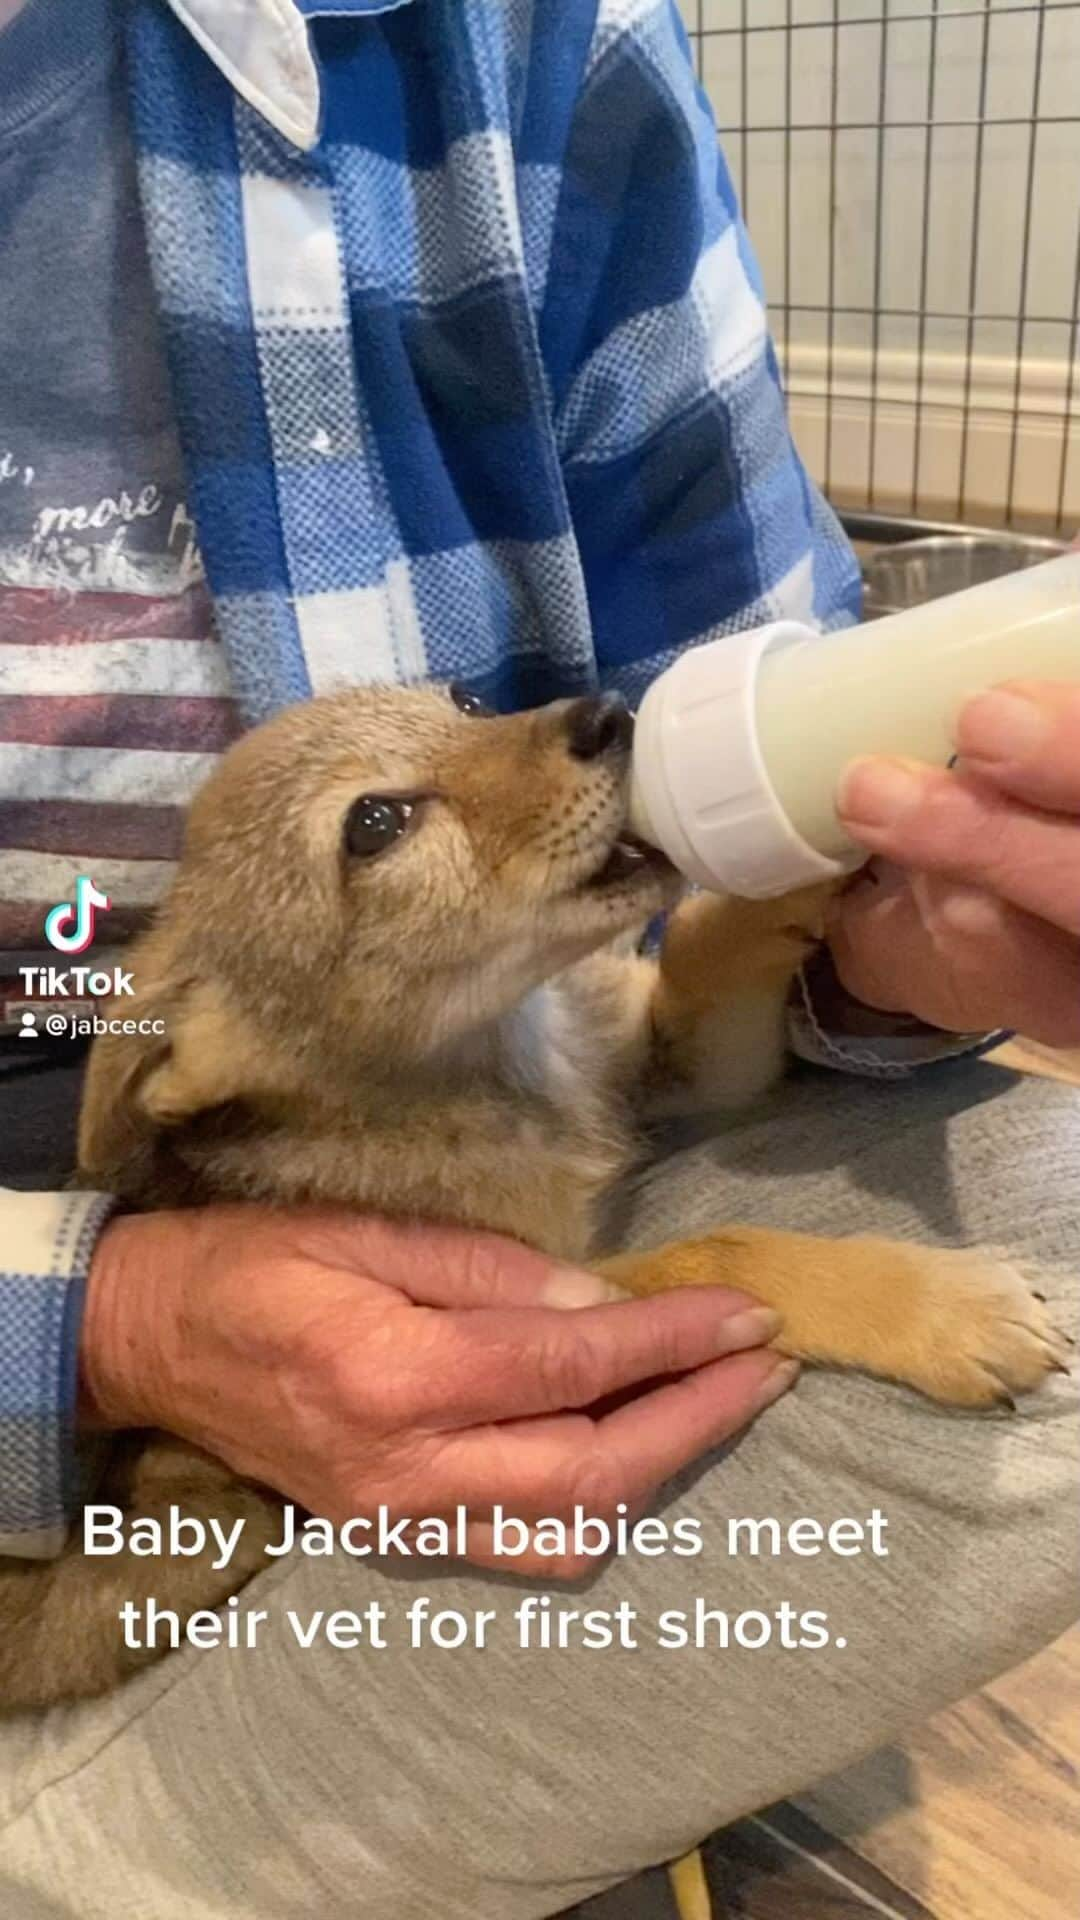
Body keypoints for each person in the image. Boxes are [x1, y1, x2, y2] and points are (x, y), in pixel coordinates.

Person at [0, 1, 1075, 1914]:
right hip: (81, 1299)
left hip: (277, 1112)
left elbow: (740, 829)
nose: (556, 733)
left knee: (1061, 1226)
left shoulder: (527, 52)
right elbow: (506, 1302)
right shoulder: (212, 1037)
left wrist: (885, 920)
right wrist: (98, 1321)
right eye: (391, 824)